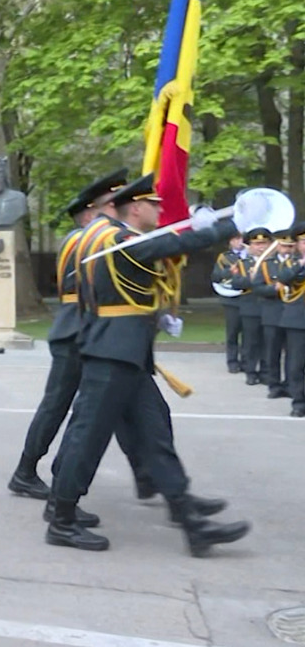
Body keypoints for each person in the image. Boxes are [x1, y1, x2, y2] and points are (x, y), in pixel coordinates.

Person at [45, 176, 249, 556]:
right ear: (136, 208)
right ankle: (61, 518)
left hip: (125, 352)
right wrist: (230, 224)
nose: (160, 210)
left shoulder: (108, 235)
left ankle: (190, 520)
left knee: (154, 434)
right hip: (113, 353)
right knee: (87, 437)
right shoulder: (119, 240)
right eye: (154, 205)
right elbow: (174, 244)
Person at [8, 169, 149, 507]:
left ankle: (147, 473)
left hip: (90, 330)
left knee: (110, 406)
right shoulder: (84, 240)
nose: (117, 211)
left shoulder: (97, 237)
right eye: (110, 205)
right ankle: (29, 473)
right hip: (78, 330)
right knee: (63, 405)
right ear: (89, 213)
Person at [254, 232, 294, 399]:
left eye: (290, 246)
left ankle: (291, 385)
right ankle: (274, 385)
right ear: (277, 246)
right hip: (273, 313)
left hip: (293, 314)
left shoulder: (298, 263)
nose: (287, 249)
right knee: (272, 352)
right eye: (284, 246)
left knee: (294, 354)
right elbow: (257, 287)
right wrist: (273, 289)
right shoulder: (266, 265)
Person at [230, 229, 271, 386]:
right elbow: (236, 283)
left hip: (269, 307)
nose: (261, 247)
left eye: (264, 243)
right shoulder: (243, 264)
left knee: (268, 342)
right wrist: (251, 278)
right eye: (257, 244)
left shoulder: (273, 263)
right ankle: (251, 372)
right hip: (250, 307)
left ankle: (266, 372)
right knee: (250, 342)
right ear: (250, 246)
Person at [276, 224, 305, 417]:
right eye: (304, 242)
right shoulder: (290, 263)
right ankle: (299, 402)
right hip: (297, 320)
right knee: (296, 364)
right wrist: (301, 264)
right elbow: (283, 279)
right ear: (297, 245)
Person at [211, 237, 245, 374]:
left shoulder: (251, 255)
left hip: (248, 297)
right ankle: (232, 362)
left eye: (241, 238)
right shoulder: (224, 257)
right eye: (236, 239)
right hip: (231, 299)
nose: (239, 241)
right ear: (230, 241)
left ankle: (246, 362)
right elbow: (216, 276)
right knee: (233, 332)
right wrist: (230, 271)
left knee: (249, 333)